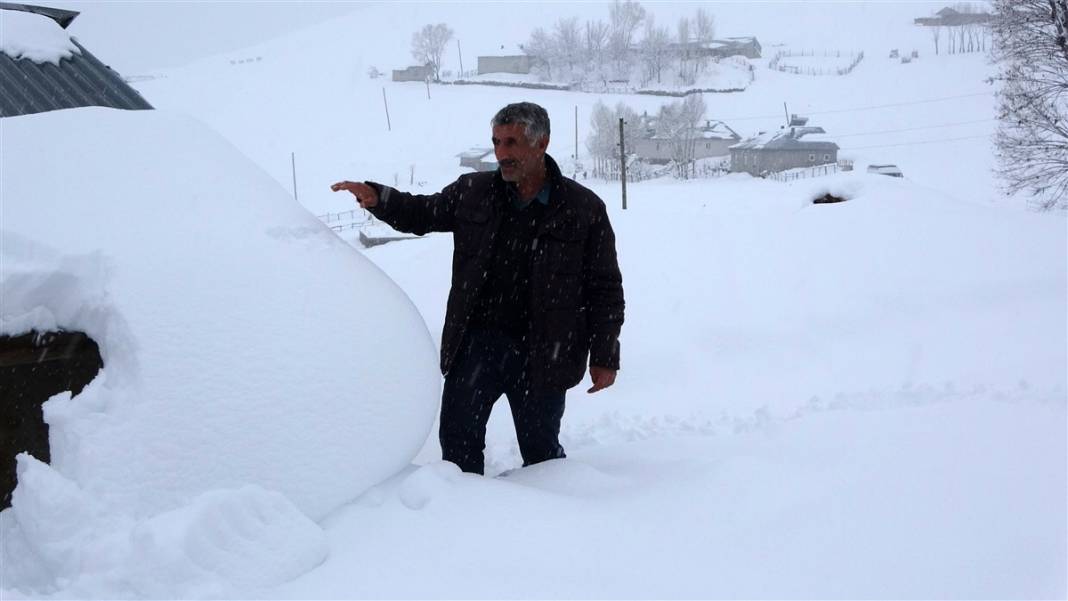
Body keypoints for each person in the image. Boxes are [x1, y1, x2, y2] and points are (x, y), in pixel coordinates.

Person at [331, 102, 624, 475]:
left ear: (542, 143)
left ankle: (553, 523)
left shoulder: (583, 208)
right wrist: (378, 197)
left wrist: (605, 354)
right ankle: (465, 522)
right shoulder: (473, 191)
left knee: (541, 452)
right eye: (497, 142)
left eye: (512, 143)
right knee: (457, 449)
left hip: (545, 352)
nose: (502, 153)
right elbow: (423, 213)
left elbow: (605, 288)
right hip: (477, 346)